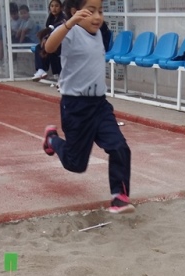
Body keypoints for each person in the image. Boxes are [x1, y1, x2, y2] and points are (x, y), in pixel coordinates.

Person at [41, 0, 134, 214]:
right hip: (76, 107)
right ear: (76, 12)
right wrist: (69, 23)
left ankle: (119, 197)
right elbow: (49, 47)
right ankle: (52, 139)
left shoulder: (99, 32)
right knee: (75, 164)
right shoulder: (70, 31)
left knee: (119, 147)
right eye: (91, 11)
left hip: (99, 105)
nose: (97, 17)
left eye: (100, 11)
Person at [32, 0, 65, 81]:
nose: (54, 8)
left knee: (51, 49)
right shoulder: (50, 18)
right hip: (52, 43)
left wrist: (47, 38)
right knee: (39, 47)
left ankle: (57, 74)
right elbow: (47, 31)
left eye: (56, 6)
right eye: (52, 6)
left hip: (62, 43)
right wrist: (44, 39)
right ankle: (41, 70)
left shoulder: (63, 19)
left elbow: (57, 31)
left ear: (61, 8)